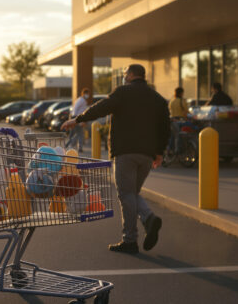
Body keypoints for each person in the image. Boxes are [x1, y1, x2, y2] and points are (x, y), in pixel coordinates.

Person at [62, 64, 169, 254]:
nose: (124, 76)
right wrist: (159, 152)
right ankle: (147, 220)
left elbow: (101, 108)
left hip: (125, 151)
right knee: (133, 192)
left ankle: (132, 237)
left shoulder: (122, 92)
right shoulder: (157, 99)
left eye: (126, 73)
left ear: (131, 75)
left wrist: (77, 120)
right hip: (147, 154)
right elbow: (165, 127)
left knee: (126, 194)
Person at [65, 87, 91, 153]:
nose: (88, 95)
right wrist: (75, 120)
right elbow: (76, 109)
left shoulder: (80, 100)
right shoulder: (82, 100)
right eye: (87, 94)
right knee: (79, 133)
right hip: (77, 118)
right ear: (84, 93)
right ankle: (75, 147)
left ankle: (67, 145)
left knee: (74, 133)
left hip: (76, 118)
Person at [167, 87, 189, 153]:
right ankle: (177, 150)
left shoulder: (172, 101)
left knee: (172, 136)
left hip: (172, 120)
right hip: (180, 120)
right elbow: (186, 111)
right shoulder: (182, 101)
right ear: (181, 93)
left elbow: (169, 110)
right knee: (178, 135)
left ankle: (169, 150)